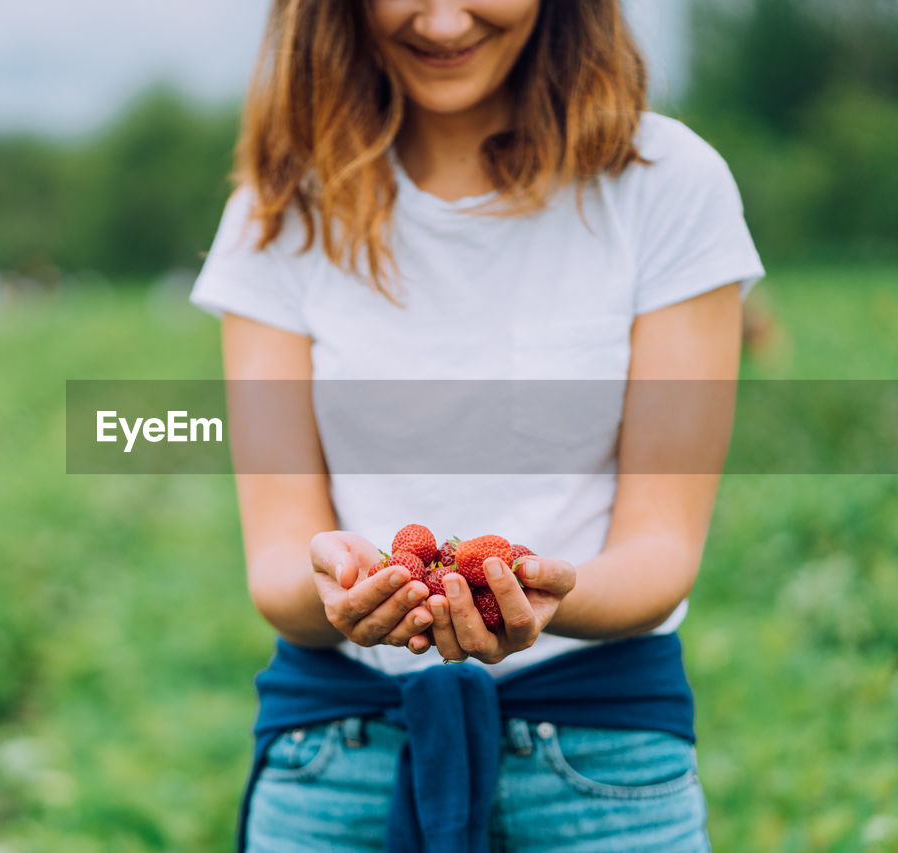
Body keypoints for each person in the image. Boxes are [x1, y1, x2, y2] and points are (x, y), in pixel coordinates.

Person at [189, 2, 763, 851]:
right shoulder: (281, 210)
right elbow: (279, 560)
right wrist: (339, 588)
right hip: (338, 761)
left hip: (600, 762)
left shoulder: (667, 185)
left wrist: (544, 592)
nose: (446, 18)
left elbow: (660, 553)